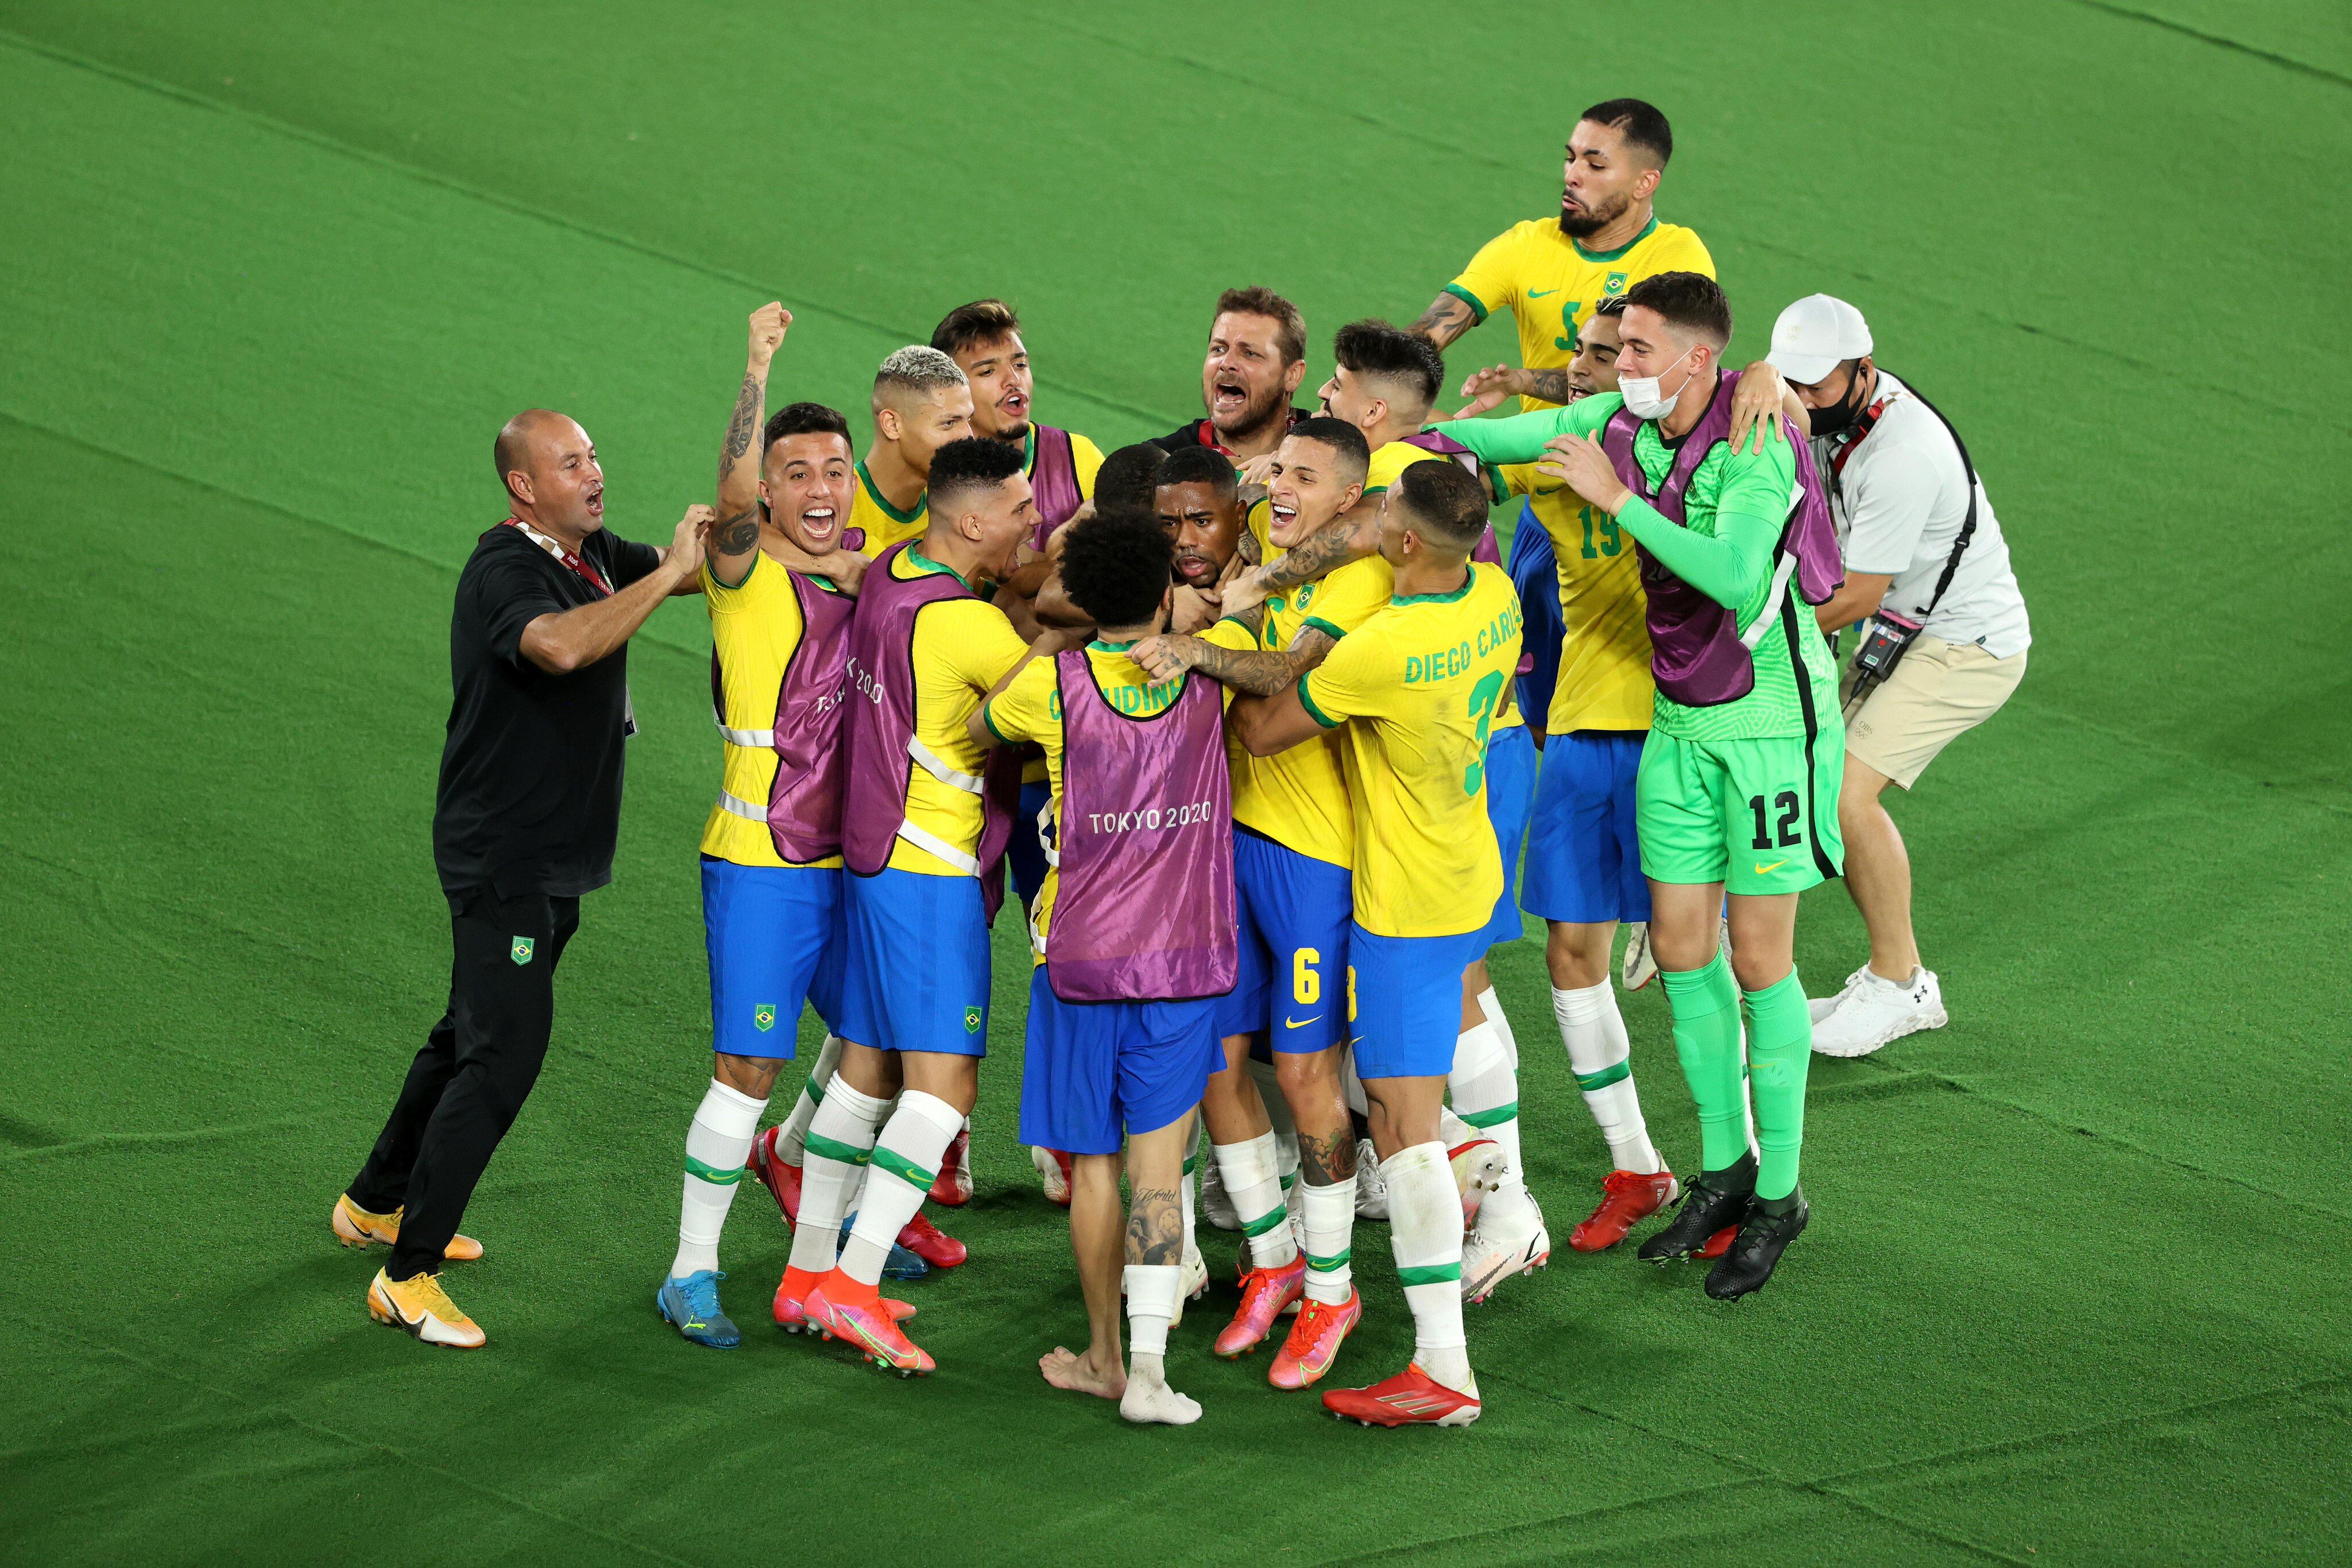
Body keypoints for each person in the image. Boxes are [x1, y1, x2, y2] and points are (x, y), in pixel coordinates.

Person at [1439, 272, 1846, 1300]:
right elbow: (1492, 445)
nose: (1619, 368)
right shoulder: (1624, 418)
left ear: (1699, 359)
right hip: (1678, 723)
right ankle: (1725, 1169)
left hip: (1767, 726)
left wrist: (1615, 501)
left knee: (1759, 960)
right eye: (1616, 351)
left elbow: (1743, 578)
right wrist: (1393, 438)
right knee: (1677, 948)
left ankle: (1782, 1192)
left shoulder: (1759, 440)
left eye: (1637, 352)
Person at [336, 411, 706, 1349]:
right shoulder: (505, 567)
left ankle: (375, 1202)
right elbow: (559, 648)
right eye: (570, 463)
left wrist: (733, 505)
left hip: (551, 855)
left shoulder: (589, 553)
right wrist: (666, 578)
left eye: (593, 456)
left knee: (469, 1029)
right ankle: (406, 1275)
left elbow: (699, 564)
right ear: (523, 487)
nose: (594, 472)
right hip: (504, 855)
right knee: (505, 1053)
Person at [1222, 459, 1523, 1426]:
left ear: (1403, 540)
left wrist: (1214, 641)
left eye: (1381, 517)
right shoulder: (1494, 591)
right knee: (1409, 1108)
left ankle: (1442, 1366)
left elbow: (1266, 730)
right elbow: (1373, 542)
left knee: (1399, 1134)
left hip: (1397, 907)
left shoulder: (1379, 647)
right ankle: (1479, 1202)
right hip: (1466, 876)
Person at [1127, 419, 1390, 1391]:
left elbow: (1279, 674)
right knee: (1215, 1058)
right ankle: (1274, 1261)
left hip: (1312, 860)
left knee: (1312, 1077)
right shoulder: (1266, 563)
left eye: (1305, 477)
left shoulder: (1358, 582)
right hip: (1225, 845)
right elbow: (1233, 624)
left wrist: (1199, 654)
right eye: (1276, 472)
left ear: (1350, 501)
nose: (1281, 489)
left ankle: (1332, 1290)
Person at [787, 438, 1049, 1373]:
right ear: (972, 522)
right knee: (945, 1091)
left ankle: (807, 1271)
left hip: (868, 857)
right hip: (931, 873)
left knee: (866, 1065)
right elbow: (1073, 719)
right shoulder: (974, 630)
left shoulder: (896, 570)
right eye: (1021, 509)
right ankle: (855, 1287)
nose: (1036, 521)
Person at [710, 308, 956, 1276]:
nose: (821, 488)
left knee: (877, 1039)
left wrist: (824, 555)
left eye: (832, 471)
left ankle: (832, 1216)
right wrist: (756, 367)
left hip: (861, 849)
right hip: (766, 853)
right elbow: (730, 519)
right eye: (797, 474)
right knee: (753, 1068)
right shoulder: (741, 560)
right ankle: (701, 1263)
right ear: (769, 487)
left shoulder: (870, 558)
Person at [973, 512, 1233, 1426]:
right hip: (1188, 955)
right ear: (1166, 589)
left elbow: (980, 717)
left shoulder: (1051, 682)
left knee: (1093, 1168)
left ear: (1084, 597)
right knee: (1159, 1173)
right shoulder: (1211, 674)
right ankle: (1156, 1373)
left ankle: (1103, 1356)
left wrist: (1058, 635)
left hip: (1079, 959)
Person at [1763, 294, 2031, 1056]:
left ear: (1863, 371)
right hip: (1902, 631)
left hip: (1963, 647)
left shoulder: (1902, 455)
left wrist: (1743, 640)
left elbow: (1854, 595)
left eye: (1817, 385)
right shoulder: (1833, 413)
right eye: (1792, 382)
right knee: (1821, 780)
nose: (1802, 402)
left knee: (1847, 794)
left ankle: (1902, 981)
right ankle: (1887, 974)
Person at [933, 299, 1107, 549]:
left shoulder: (1078, 456)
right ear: (951, 391)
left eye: (1020, 365)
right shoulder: (934, 474)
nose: (1013, 380)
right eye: (988, 372)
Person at [1150, 287, 1314, 465]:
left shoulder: (1332, 454)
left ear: (1292, 375)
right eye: (1219, 349)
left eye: (1250, 353)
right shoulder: (1161, 465)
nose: (1226, 363)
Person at [848, 346, 975, 560]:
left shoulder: (955, 515)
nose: (969, 437)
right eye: (949, 423)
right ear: (893, 425)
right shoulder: (831, 505)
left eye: (968, 419)